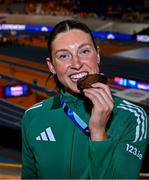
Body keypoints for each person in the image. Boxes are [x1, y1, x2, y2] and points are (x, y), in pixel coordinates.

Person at [21, 19, 148, 179]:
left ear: (98, 55)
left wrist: (99, 133)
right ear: (52, 66)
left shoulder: (133, 117)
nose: (76, 63)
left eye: (84, 52)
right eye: (64, 55)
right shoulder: (33, 117)